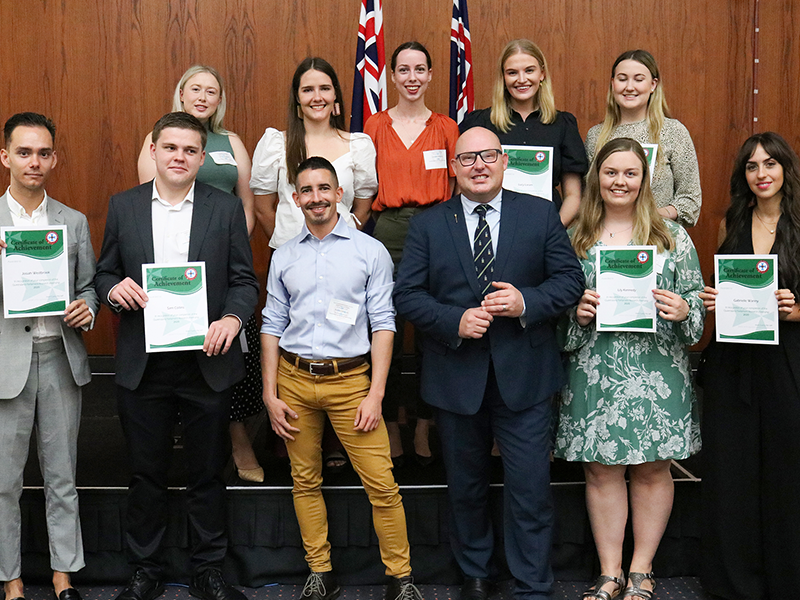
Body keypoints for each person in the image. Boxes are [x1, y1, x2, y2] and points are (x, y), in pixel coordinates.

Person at [393, 127, 584, 600]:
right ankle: (475, 575)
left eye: (488, 156)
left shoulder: (539, 214)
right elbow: (407, 295)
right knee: (466, 486)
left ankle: (531, 583)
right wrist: (452, 319)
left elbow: (569, 280)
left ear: (504, 162)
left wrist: (528, 303)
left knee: (530, 489)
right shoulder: (428, 224)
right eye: (467, 158)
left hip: (525, 375)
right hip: (457, 377)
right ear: (453, 168)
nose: (478, 165)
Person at [95, 112, 258, 600]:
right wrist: (112, 289)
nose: (179, 157)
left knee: (207, 472)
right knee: (146, 473)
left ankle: (208, 569)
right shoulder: (123, 206)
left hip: (206, 361)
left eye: (190, 150)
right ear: (154, 151)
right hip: (144, 363)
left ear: (202, 157)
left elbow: (245, 282)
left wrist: (232, 319)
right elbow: (104, 274)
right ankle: (145, 568)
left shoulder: (224, 209)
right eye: (171, 148)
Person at [261, 156, 423, 600]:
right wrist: (269, 394)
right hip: (294, 381)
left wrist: (377, 395)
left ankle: (401, 578)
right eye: (306, 190)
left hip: (352, 383)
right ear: (296, 199)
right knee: (305, 481)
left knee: (382, 485)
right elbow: (272, 324)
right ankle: (321, 571)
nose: (316, 197)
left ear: (339, 193)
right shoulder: (285, 257)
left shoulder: (369, 251)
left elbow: (385, 324)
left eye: (323, 188)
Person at [553, 138, 704, 600]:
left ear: (644, 179)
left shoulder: (670, 235)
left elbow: (697, 299)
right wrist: (575, 314)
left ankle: (641, 570)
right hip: (596, 367)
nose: (620, 181)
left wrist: (684, 308)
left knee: (653, 469)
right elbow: (555, 307)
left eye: (630, 173)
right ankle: (610, 571)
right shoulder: (575, 235)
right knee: (600, 470)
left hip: (658, 368)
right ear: (597, 177)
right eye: (611, 172)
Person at [137, 65, 263, 483]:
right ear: (182, 94)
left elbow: (246, 202)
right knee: (180, 360)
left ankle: (238, 436)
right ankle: (179, 428)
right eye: (196, 89)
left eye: (212, 91)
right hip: (175, 273)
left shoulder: (232, 141)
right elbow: (149, 207)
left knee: (230, 352)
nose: (204, 97)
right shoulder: (159, 139)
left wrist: (229, 249)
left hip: (225, 261)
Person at [0, 112, 99, 600]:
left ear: (54, 158)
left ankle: (64, 577)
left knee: (63, 476)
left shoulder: (73, 221)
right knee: (4, 483)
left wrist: (87, 308)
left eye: (43, 153)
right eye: (24, 152)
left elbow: (88, 287)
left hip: (61, 357)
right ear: (5, 157)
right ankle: (12, 582)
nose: (34, 162)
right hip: (7, 365)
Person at [699, 132, 800, 600]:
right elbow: (724, 292)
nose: (762, 174)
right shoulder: (731, 222)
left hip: (788, 363)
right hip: (734, 361)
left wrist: (797, 309)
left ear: (786, 170)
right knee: (733, 471)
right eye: (752, 166)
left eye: (770, 164)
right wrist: (717, 300)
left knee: (785, 471)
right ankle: (735, 583)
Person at [364, 41, 459, 466]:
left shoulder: (446, 127)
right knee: (384, 331)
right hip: (387, 231)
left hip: (438, 230)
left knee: (430, 334)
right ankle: (387, 424)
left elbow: (458, 187)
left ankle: (423, 423)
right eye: (404, 70)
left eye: (421, 69)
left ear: (432, 75)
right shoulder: (374, 127)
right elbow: (365, 185)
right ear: (391, 76)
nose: (413, 78)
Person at [251, 56, 378, 248]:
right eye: (308, 90)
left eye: (325, 88)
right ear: (297, 97)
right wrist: (289, 246)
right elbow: (262, 209)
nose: (317, 97)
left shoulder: (359, 146)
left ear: (335, 94)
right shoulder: (275, 144)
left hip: (343, 254)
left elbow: (363, 210)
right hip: (290, 256)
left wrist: (337, 242)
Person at [459, 39, 587, 226]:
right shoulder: (480, 123)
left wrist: (551, 233)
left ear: (542, 73)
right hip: (489, 228)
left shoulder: (563, 124)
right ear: (503, 78)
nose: (521, 79)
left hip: (547, 226)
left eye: (529, 70)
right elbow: (463, 185)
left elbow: (574, 195)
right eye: (512, 73)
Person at [585, 50, 702, 228]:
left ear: (653, 84)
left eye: (638, 79)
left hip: (658, 238)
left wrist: (652, 216)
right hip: (608, 240)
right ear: (612, 83)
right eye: (622, 79)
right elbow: (589, 196)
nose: (629, 87)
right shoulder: (596, 136)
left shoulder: (673, 132)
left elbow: (690, 199)